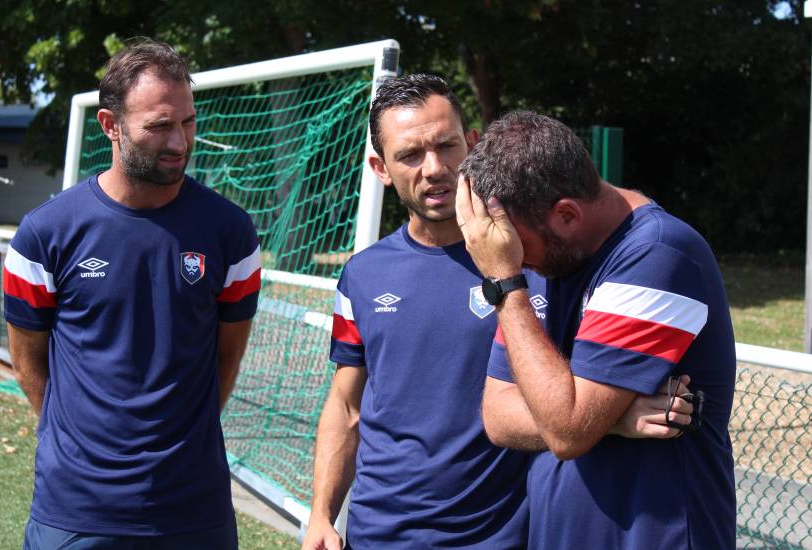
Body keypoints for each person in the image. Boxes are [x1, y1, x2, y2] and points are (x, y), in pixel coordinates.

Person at [301, 75, 695, 550]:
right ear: (380, 168)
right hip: (380, 533)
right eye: (409, 155)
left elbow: (572, 398)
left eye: (446, 146)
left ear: (471, 144)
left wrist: (601, 417)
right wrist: (322, 514)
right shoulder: (363, 275)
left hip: (503, 536)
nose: (434, 168)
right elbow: (346, 407)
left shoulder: (540, 259)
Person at [3, 40, 260, 549]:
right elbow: (29, 363)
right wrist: (78, 439)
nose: (180, 141)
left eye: (187, 122)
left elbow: (226, 356)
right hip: (77, 507)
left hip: (193, 506)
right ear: (110, 125)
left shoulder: (230, 232)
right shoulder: (45, 234)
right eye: (159, 126)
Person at [456, 110, 736, 549]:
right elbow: (498, 416)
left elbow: (566, 431)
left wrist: (507, 286)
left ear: (566, 215)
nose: (515, 261)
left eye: (518, 248)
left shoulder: (658, 254)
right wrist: (610, 419)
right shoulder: (547, 250)